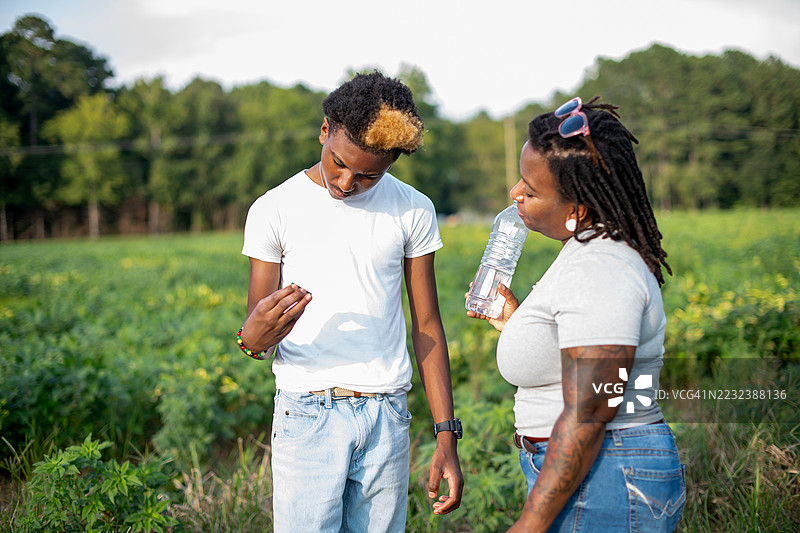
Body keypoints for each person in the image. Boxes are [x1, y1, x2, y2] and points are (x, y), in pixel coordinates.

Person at [238, 71, 463, 533]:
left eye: (368, 176)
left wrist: (446, 433)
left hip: (386, 416)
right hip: (306, 412)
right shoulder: (274, 209)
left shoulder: (413, 209)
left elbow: (427, 325)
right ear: (324, 131)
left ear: (391, 164)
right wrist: (251, 338)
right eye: (338, 163)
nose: (346, 182)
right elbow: (255, 335)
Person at [467, 96, 686, 532]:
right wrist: (518, 324)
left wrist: (530, 524)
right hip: (597, 472)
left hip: (607, 474)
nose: (515, 194)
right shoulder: (587, 251)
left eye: (530, 190)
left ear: (578, 209)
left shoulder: (601, 266)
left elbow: (590, 411)